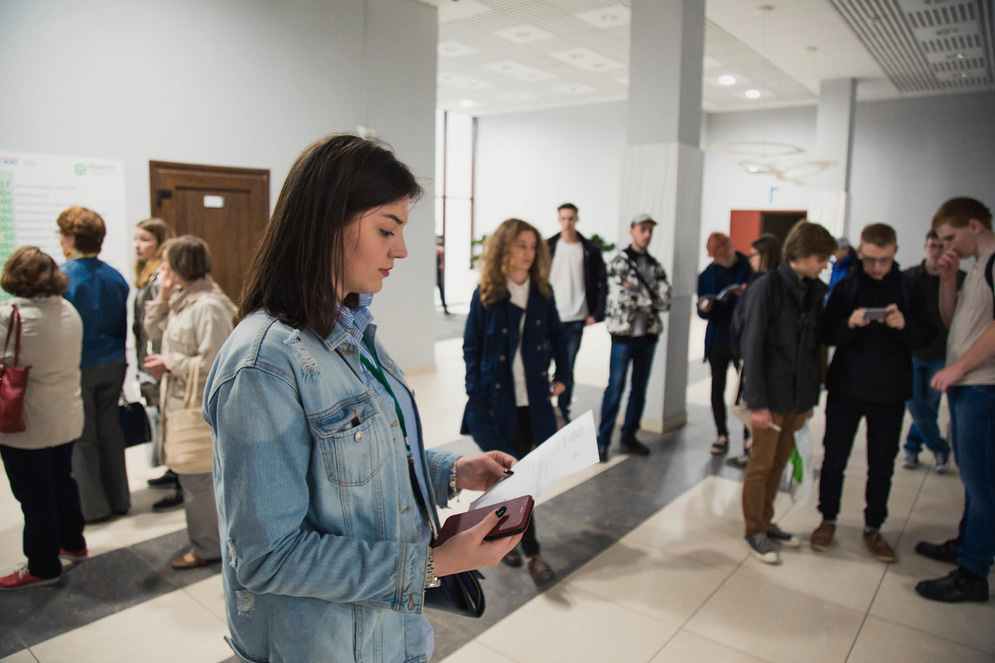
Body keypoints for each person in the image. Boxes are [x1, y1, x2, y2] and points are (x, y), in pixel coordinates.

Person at [203, 134, 521, 662]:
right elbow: (267, 559)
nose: (401, 249)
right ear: (327, 222)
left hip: (385, 634)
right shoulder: (263, 365)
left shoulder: (351, 332)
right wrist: (432, 564)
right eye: (386, 229)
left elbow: (365, 454)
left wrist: (453, 471)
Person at [811, 223, 934, 562]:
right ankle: (828, 519)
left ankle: (874, 526)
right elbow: (825, 333)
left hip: (890, 391)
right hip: (846, 387)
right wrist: (849, 324)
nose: (876, 267)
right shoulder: (847, 285)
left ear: (895, 250)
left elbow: (927, 336)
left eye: (882, 259)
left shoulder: (910, 288)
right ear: (861, 253)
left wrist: (904, 326)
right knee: (834, 458)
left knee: (882, 464)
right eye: (869, 260)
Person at [462, 217, 571, 586]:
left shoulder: (541, 293)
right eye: (520, 245)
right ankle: (531, 552)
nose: (528, 253)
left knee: (514, 479)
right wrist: (475, 390)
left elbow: (559, 338)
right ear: (504, 249)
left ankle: (507, 541)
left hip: (532, 405)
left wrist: (563, 377)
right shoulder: (488, 294)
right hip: (493, 408)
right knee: (511, 478)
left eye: (532, 247)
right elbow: (471, 347)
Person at [739, 222, 836, 564]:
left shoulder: (812, 292)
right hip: (770, 396)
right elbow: (751, 347)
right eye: (822, 258)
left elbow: (813, 348)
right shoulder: (767, 287)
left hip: (797, 397)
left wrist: (810, 398)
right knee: (761, 464)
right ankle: (754, 529)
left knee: (779, 463)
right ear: (805, 255)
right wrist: (758, 403)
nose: (826, 265)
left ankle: (766, 522)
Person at [915, 197, 995, 603]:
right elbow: (954, 324)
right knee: (974, 476)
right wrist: (948, 280)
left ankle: (973, 571)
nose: (946, 246)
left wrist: (960, 367)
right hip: (971, 386)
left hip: (984, 387)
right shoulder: (975, 268)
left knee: (982, 484)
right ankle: (967, 546)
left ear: (975, 226)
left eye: (951, 237)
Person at [143, 235, 236, 569]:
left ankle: (208, 547)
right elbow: (152, 330)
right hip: (179, 401)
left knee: (199, 481)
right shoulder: (182, 299)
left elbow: (215, 362)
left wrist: (171, 364)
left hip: (197, 407)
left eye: (167, 264)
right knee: (195, 480)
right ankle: (208, 540)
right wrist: (163, 297)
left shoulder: (209, 306)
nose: (162, 270)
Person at [0, 247, 87, 590]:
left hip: (26, 423)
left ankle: (43, 564)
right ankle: (73, 542)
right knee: (62, 480)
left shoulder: (11, 316)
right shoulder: (68, 310)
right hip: (66, 415)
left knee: (34, 494)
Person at [57, 206, 131, 523]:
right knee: (110, 431)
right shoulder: (115, 277)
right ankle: (120, 499)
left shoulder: (62, 278)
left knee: (84, 436)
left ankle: (94, 507)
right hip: (114, 361)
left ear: (71, 238)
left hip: (80, 364)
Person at [597, 214, 671, 461]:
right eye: (643, 229)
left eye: (650, 230)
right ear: (632, 231)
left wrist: (637, 295)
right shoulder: (619, 262)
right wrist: (648, 298)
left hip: (647, 336)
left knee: (639, 390)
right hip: (623, 336)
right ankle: (602, 440)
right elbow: (620, 298)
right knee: (615, 388)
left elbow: (666, 300)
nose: (647, 234)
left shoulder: (654, 265)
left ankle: (629, 436)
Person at [901, 229, 965, 471]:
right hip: (912, 350)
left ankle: (912, 449)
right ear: (925, 246)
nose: (937, 251)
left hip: (942, 351)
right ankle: (939, 447)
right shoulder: (909, 277)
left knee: (930, 404)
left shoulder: (959, 279)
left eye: (942, 247)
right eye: (933, 246)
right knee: (914, 403)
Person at [132, 218, 183, 511]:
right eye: (136, 240)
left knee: (172, 419)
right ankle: (173, 470)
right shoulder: (148, 278)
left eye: (145, 240)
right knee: (162, 417)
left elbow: (160, 325)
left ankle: (180, 477)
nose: (138, 246)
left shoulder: (161, 280)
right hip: (152, 357)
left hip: (164, 360)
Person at [547, 202, 607, 421]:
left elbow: (602, 282)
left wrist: (596, 313)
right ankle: (543, 409)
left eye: (571, 218)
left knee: (567, 368)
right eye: (563, 218)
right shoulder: (548, 246)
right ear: (559, 220)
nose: (567, 223)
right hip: (550, 316)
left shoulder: (589, 249)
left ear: (577, 219)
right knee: (541, 363)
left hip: (576, 318)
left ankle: (563, 411)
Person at [728, 233, 782, 467]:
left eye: (754, 255)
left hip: (751, 355)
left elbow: (754, 327)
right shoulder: (761, 282)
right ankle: (756, 447)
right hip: (744, 352)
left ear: (765, 256)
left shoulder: (766, 284)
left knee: (741, 406)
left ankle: (765, 444)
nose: (750, 260)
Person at [697, 232, 752, 455]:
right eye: (718, 257)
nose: (723, 259)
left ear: (731, 247)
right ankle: (721, 433)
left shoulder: (749, 266)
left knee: (747, 388)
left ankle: (749, 437)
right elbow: (701, 309)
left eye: (726, 254)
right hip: (719, 336)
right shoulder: (707, 275)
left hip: (744, 336)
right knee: (717, 387)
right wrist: (705, 309)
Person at [826, 237, 857, 304]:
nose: (834, 253)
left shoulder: (853, 267)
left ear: (845, 249)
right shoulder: (835, 266)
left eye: (836, 250)